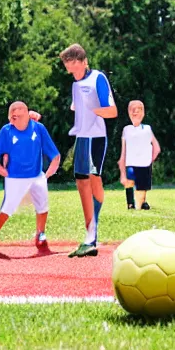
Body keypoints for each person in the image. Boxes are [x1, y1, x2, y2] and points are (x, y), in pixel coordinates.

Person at [59, 44, 117, 258]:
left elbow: (112, 111)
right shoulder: (76, 84)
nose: (72, 72)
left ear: (82, 61)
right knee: (81, 181)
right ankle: (89, 236)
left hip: (96, 137)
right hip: (82, 138)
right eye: (69, 69)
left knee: (94, 179)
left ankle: (93, 233)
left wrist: (92, 111)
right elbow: (76, 108)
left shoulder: (98, 78)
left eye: (73, 67)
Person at [0, 101, 60, 254]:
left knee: (43, 206)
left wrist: (51, 169)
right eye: (13, 116)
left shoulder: (38, 128)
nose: (15, 118)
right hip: (14, 177)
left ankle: (40, 235)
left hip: (36, 175)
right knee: (7, 209)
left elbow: (54, 153)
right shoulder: (6, 131)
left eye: (20, 114)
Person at [118, 100, 161, 210]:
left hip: (144, 164)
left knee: (142, 187)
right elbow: (123, 151)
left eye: (139, 109)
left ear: (143, 113)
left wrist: (149, 160)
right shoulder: (126, 130)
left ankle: (142, 203)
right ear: (129, 113)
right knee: (130, 181)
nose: (136, 112)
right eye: (133, 110)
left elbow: (156, 148)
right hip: (130, 163)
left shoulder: (147, 129)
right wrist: (122, 171)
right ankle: (130, 203)